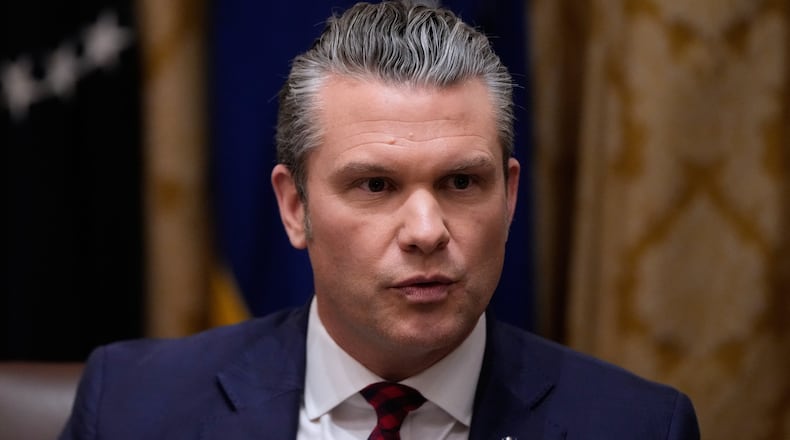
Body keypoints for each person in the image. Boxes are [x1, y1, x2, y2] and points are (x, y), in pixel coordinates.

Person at [59, 1, 700, 439]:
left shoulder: (638, 426)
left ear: (509, 199)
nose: (426, 231)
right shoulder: (130, 406)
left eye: (461, 181)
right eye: (375, 184)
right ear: (294, 207)